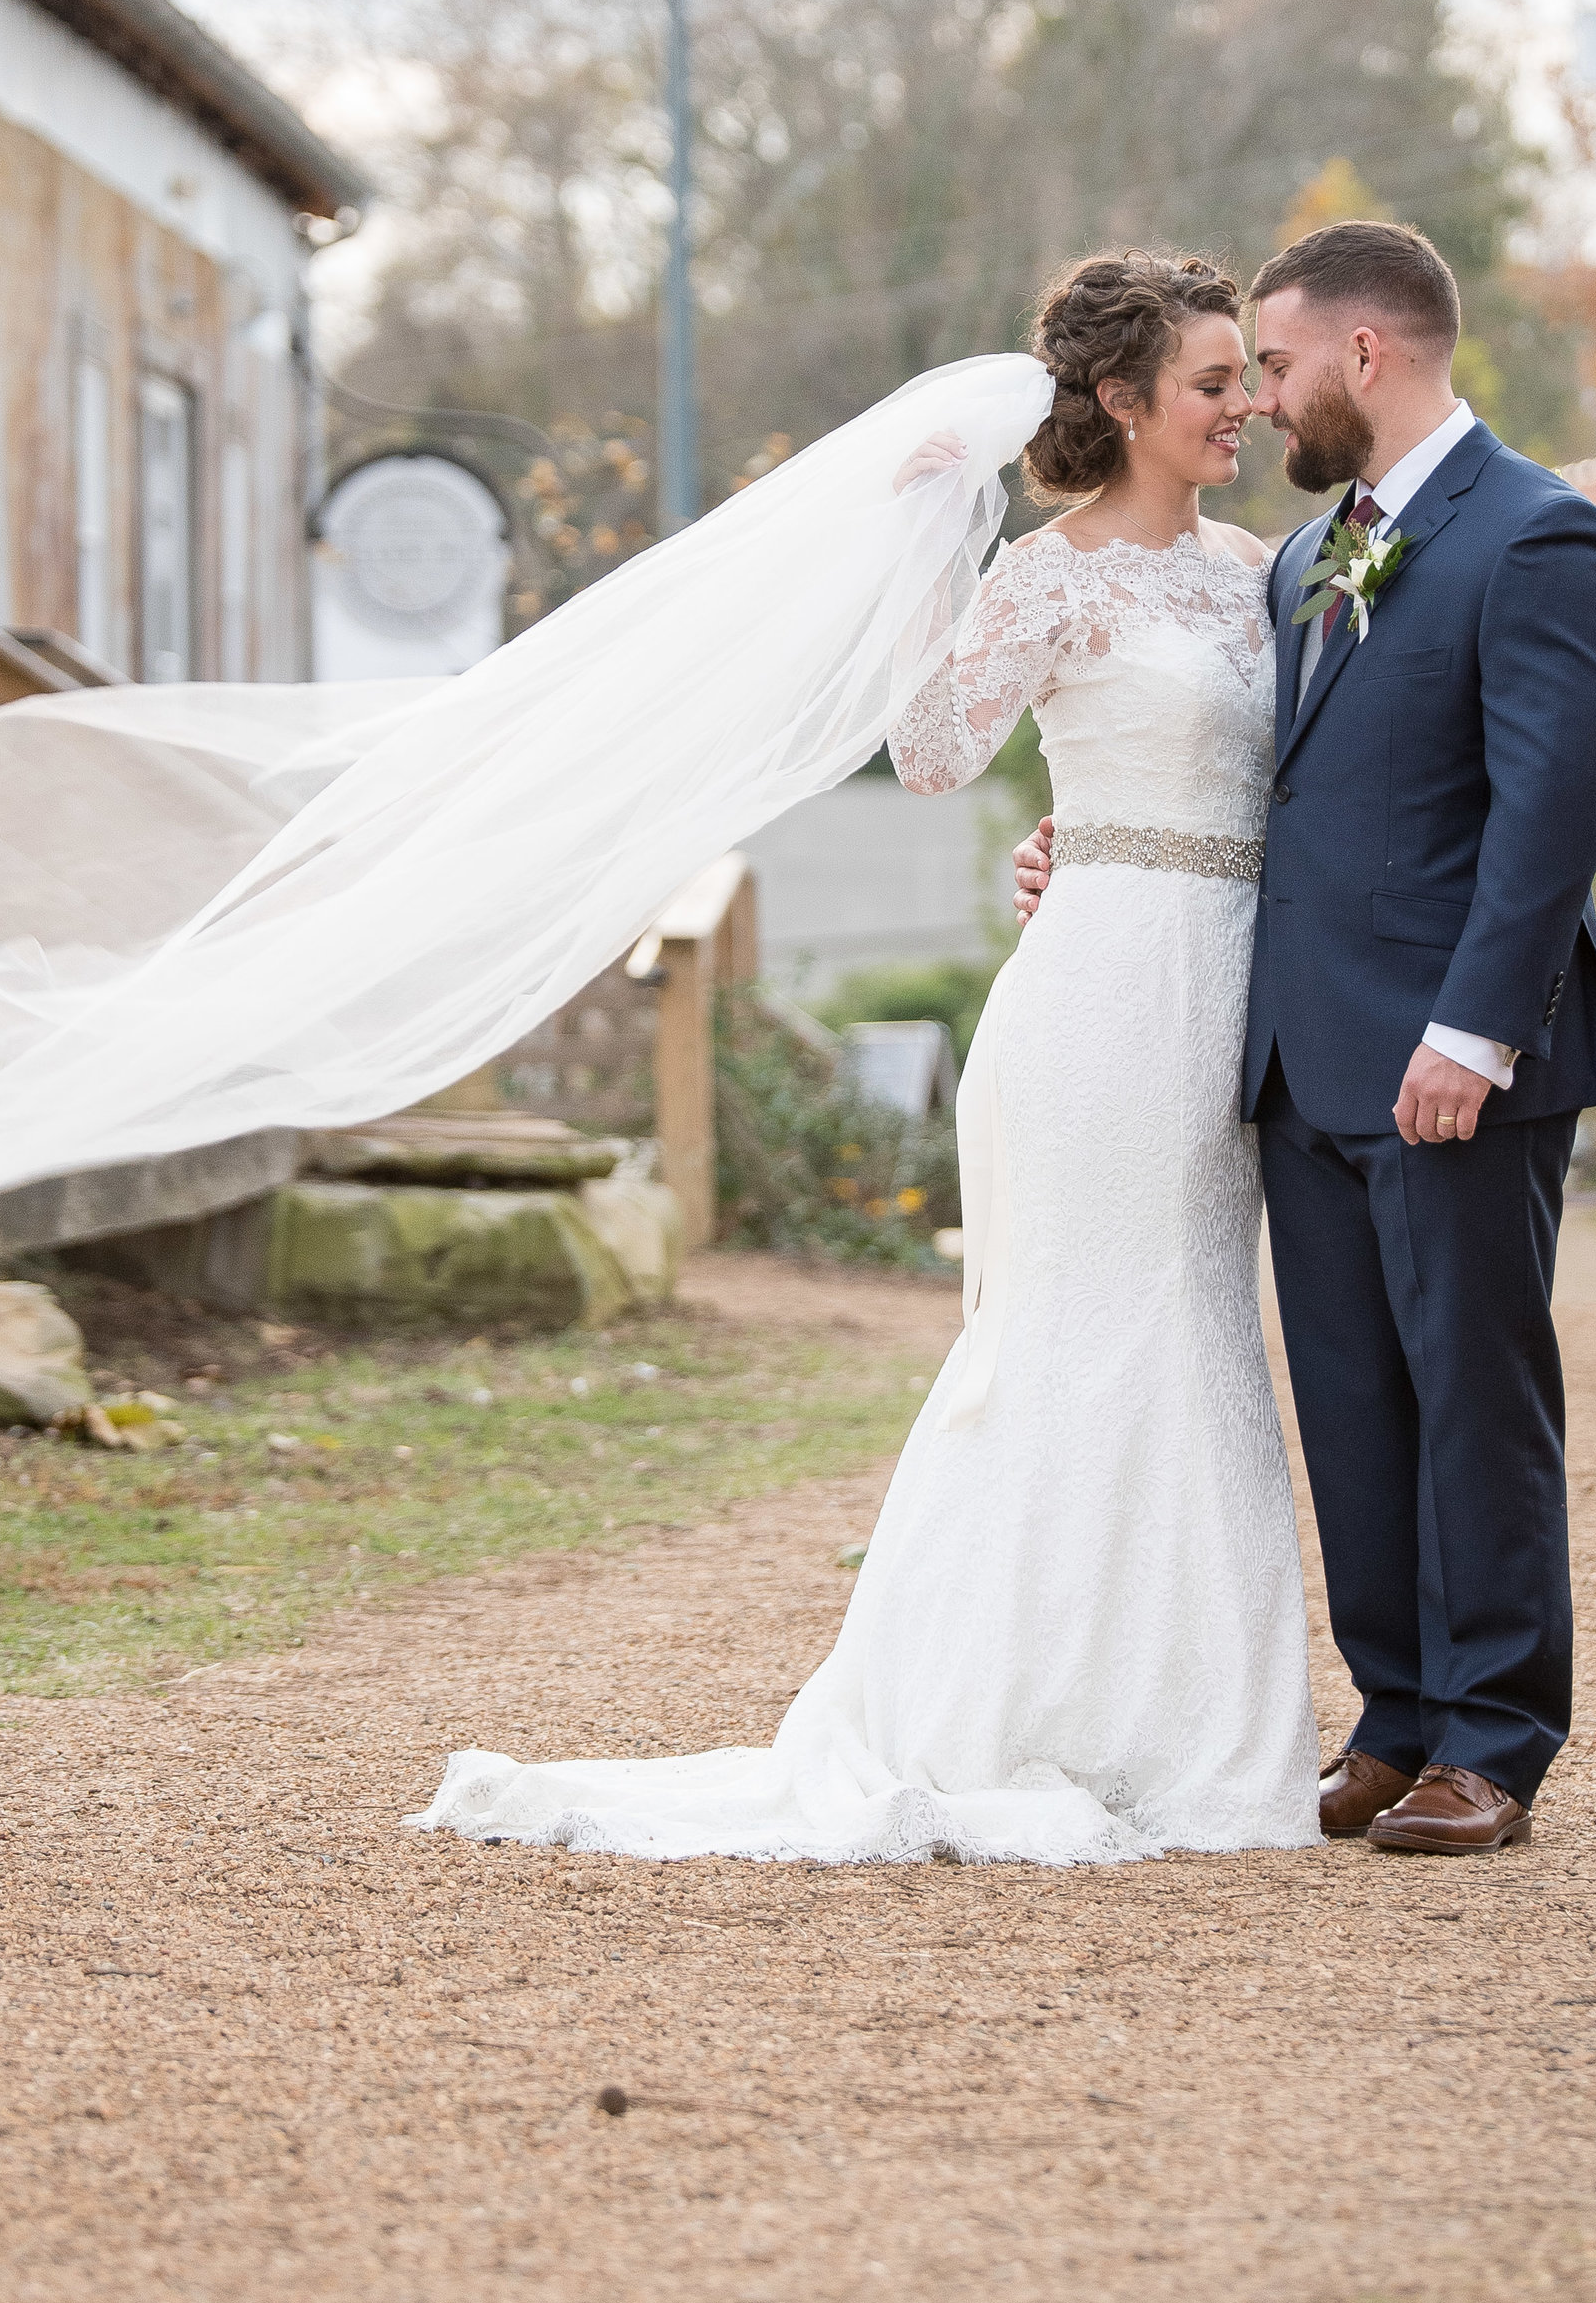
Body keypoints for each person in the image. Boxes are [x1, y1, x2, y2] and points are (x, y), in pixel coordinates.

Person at [416, 249, 1323, 1863]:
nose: (1244, 403)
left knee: (1196, 1336)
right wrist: (932, 562)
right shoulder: (1049, 579)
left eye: (1245, 376)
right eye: (1211, 381)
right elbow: (931, 752)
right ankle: (1000, 1707)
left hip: (1232, 985)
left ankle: (1194, 1725)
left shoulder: (1254, 568)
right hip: (1103, 994)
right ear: (1122, 404)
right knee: (1079, 1336)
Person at [1016, 219, 1596, 1857]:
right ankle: (1398, 1718)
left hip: (1453, 1062)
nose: (1265, 404)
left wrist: (1480, 1032)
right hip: (1292, 1056)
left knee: (1475, 1396)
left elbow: (1554, 815)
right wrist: (1074, 840)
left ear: (1366, 356)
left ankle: (1494, 1744)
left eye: (1279, 368)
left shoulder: (1542, 536)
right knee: (1355, 1404)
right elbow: (1268, 789)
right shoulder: (1301, 562)